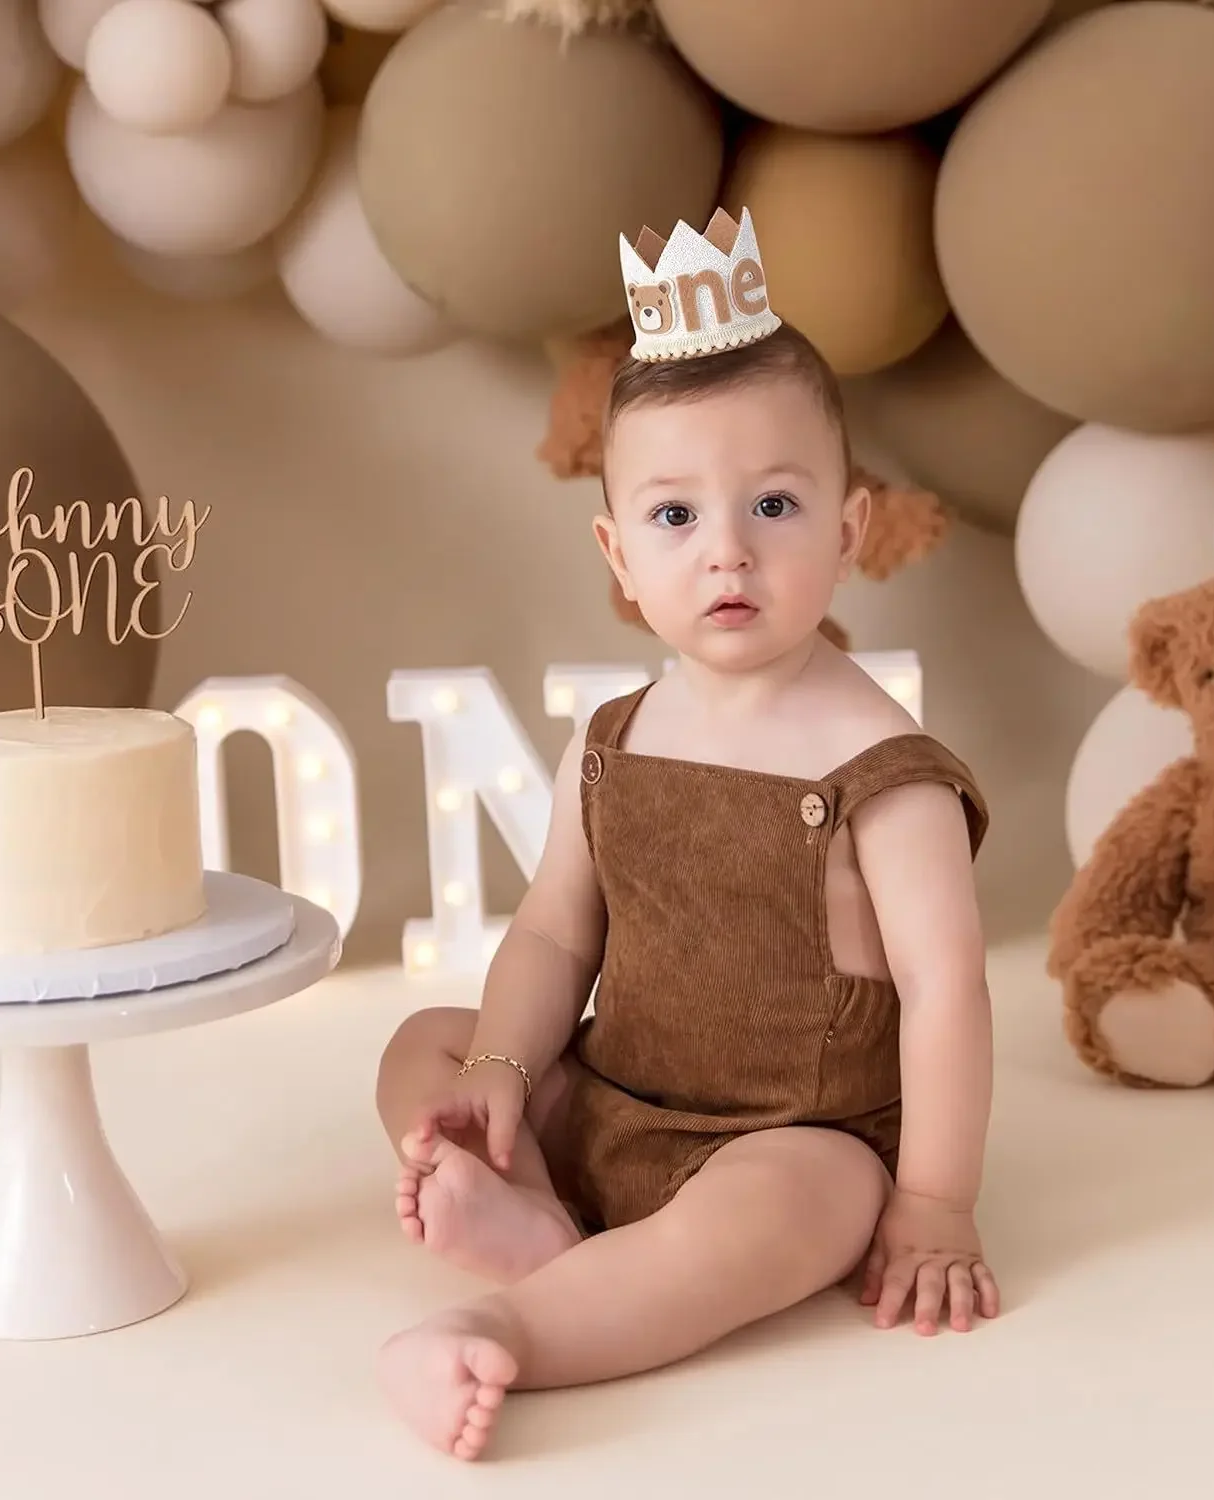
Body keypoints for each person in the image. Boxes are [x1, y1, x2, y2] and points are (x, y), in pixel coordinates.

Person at [373, 207, 999, 1462]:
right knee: (426, 1045)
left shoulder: (884, 771)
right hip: (614, 1088)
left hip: (792, 1138)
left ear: (851, 527)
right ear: (617, 551)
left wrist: (933, 1201)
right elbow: (555, 929)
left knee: (809, 1209)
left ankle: (514, 1323)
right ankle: (537, 1205)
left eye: (773, 504)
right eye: (674, 518)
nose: (727, 551)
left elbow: (946, 990)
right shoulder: (613, 735)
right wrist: (501, 1073)